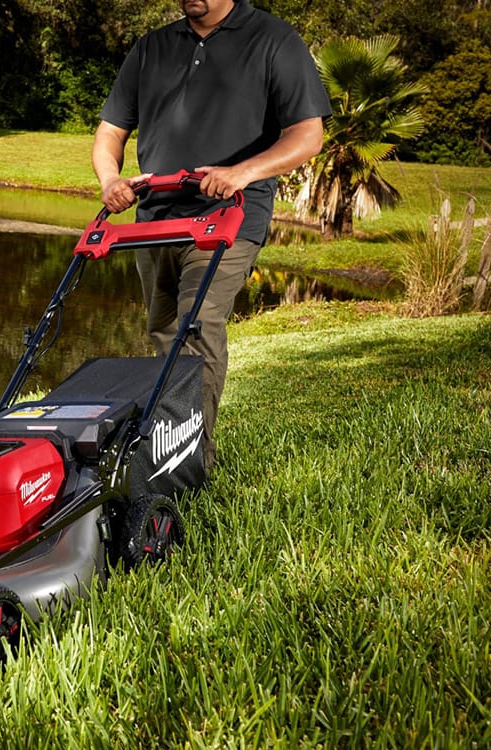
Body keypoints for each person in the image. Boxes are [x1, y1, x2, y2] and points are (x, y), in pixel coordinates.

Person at [92, 0, 331, 470]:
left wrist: (243, 172)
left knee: (195, 326)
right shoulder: (151, 47)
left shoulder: (273, 40)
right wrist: (110, 181)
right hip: (157, 215)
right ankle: (165, 437)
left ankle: (190, 462)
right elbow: (110, 132)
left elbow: (307, 134)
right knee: (163, 331)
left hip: (230, 216)